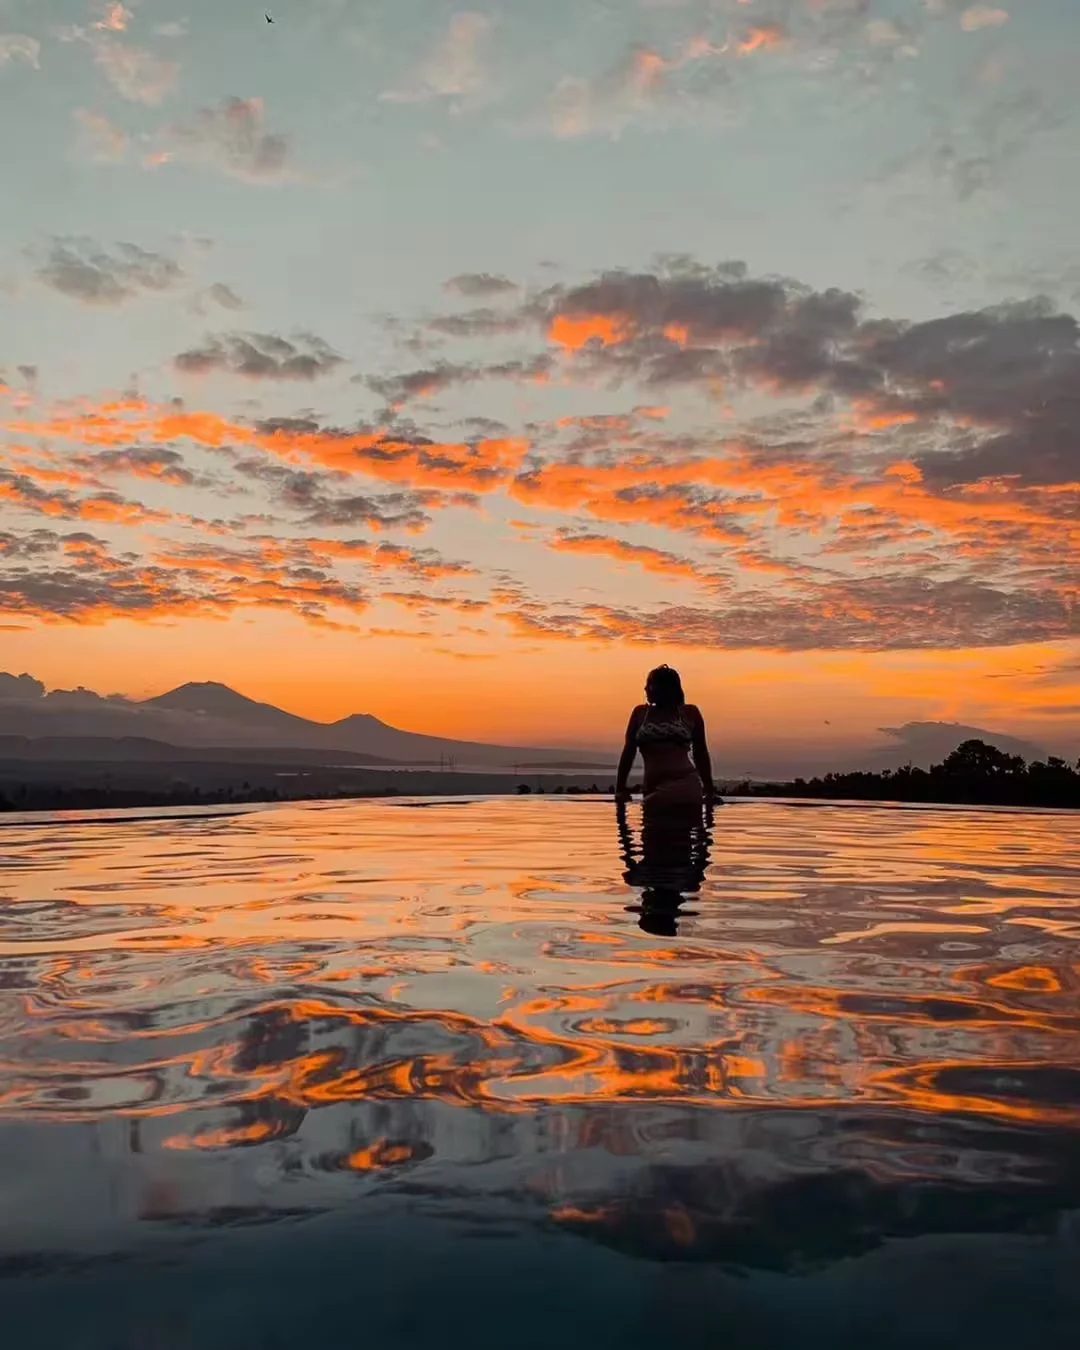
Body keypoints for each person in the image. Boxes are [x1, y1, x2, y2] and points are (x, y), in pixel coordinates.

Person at [613, 664, 716, 808]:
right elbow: (628, 752)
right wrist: (620, 789)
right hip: (651, 788)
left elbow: (700, 753)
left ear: (664, 688)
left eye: (650, 684)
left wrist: (709, 791)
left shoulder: (690, 713)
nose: (645, 688)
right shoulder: (640, 713)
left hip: (685, 784)